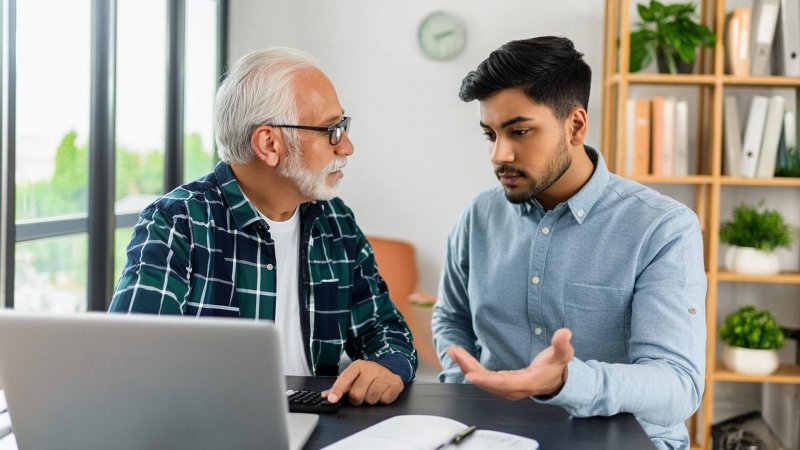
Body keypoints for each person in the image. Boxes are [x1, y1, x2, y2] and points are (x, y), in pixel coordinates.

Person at [431, 36, 706, 450]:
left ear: (575, 126)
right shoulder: (479, 216)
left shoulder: (662, 228)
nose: (498, 155)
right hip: (494, 435)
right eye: (490, 134)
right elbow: (451, 319)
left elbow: (676, 385)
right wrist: (466, 387)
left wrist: (567, 380)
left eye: (519, 131)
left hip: (622, 440)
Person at [110, 48, 417, 406]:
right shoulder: (177, 223)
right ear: (269, 144)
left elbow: (383, 328)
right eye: (332, 130)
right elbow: (131, 362)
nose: (346, 146)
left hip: (325, 425)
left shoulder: (337, 222)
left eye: (343, 127)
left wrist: (388, 365)